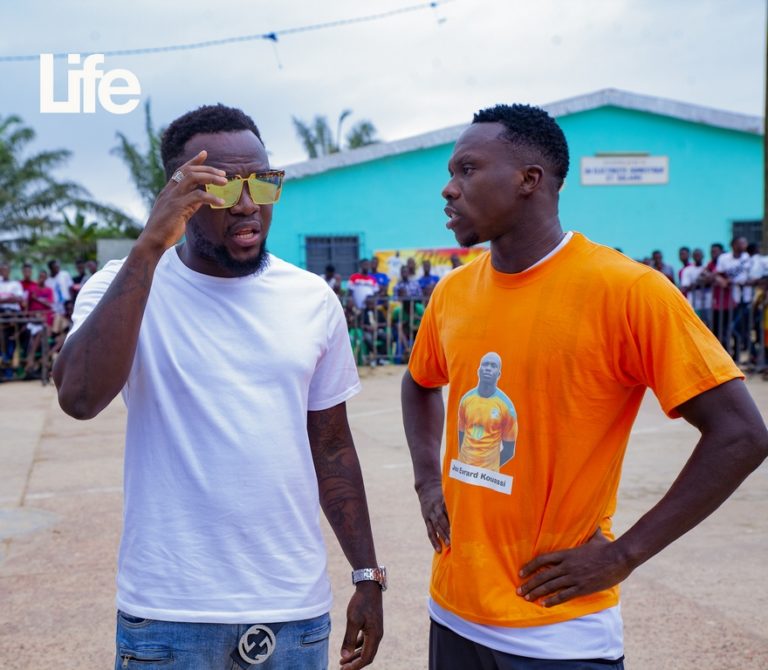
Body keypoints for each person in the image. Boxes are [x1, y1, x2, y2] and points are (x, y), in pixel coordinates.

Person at [401, 103, 768, 670]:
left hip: (558, 635)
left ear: (530, 180)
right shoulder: (452, 292)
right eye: (450, 174)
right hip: (452, 613)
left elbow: (741, 434)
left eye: (467, 170)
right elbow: (420, 383)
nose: (449, 189)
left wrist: (624, 554)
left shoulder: (626, 291)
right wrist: (428, 482)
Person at [53, 104, 384, 670]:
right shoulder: (123, 286)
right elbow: (80, 398)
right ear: (178, 195)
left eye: (262, 182)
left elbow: (331, 448)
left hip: (294, 612)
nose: (250, 205)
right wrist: (150, 246)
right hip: (168, 615)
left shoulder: (310, 300)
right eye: (224, 188)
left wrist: (367, 575)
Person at [457, 352, 517, 472]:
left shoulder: (506, 406)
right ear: (478, 371)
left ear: (499, 374)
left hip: (488, 474)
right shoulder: (466, 399)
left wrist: (489, 468)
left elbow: (509, 451)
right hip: (464, 469)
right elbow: (461, 436)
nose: (488, 368)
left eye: (493, 366)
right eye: (485, 364)